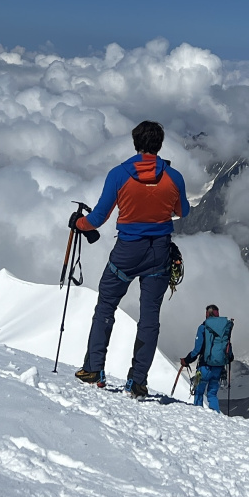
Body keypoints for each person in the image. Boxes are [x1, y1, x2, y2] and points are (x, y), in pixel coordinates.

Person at [70, 120, 189, 399]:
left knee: (106, 305)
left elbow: (98, 218)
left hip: (127, 251)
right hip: (159, 252)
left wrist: (78, 224)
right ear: (159, 144)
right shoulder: (174, 177)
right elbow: (182, 211)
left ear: (135, 143)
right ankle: (137, 382)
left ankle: (93, 369)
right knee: (149, 318)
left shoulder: (118, 175)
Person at [181, 304, 233, 412]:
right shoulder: (224, 328)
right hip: (219, 367)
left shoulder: (203, 328)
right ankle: (216, 416)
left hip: (204, 367)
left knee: (198, 392)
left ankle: (198, 416)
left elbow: (197, 349)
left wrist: (186, 360)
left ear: (207, 314)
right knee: (212, 394)